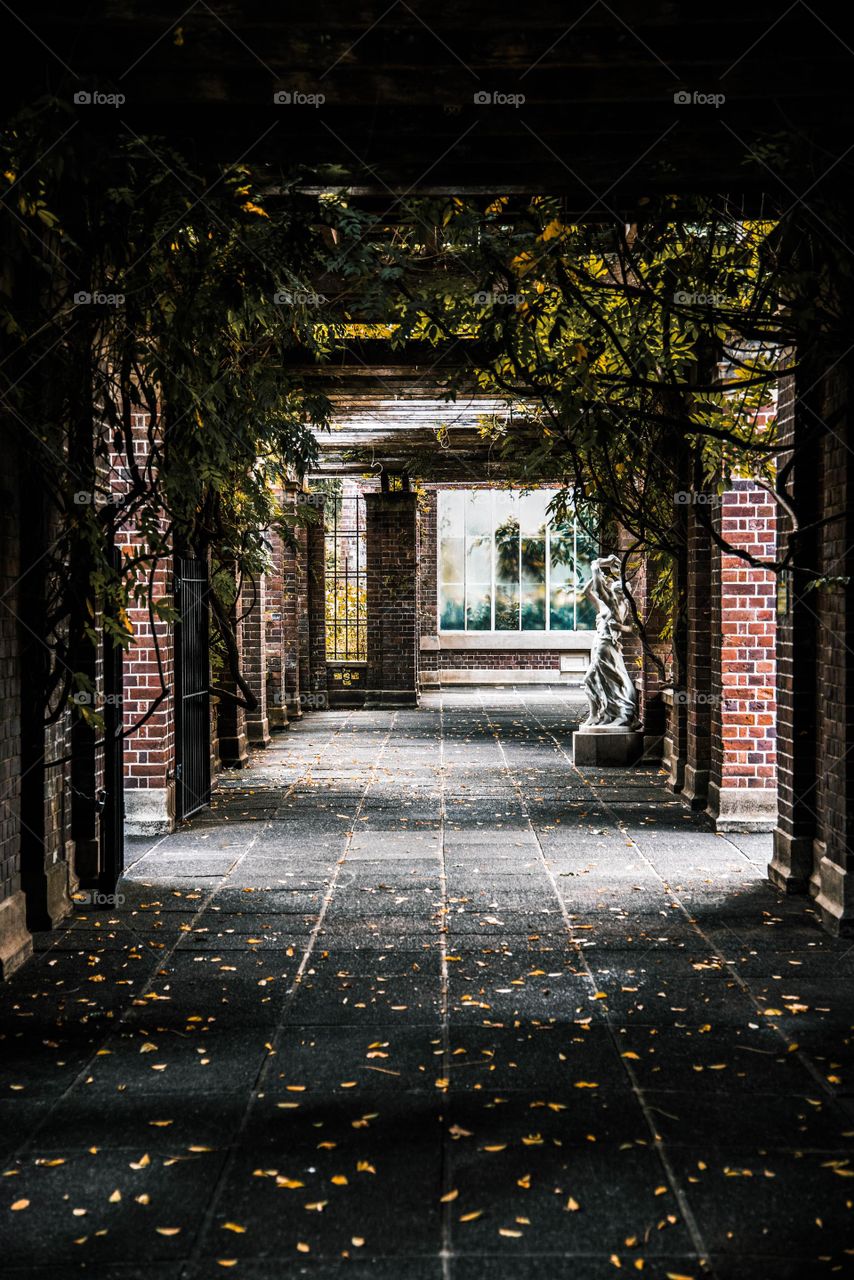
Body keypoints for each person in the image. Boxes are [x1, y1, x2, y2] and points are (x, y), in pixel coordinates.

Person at [581, 555, 639, 729]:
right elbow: (587, 592)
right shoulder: (608, 606)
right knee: (593, 679)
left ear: (618, 592)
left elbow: (599, 588)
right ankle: (596, 715)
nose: (610, 585)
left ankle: (621, 713)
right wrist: (597, 575)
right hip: (600, 644)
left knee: (610, 680)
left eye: (614, 585)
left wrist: (597, 565)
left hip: (605, 646)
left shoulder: (615, 604)